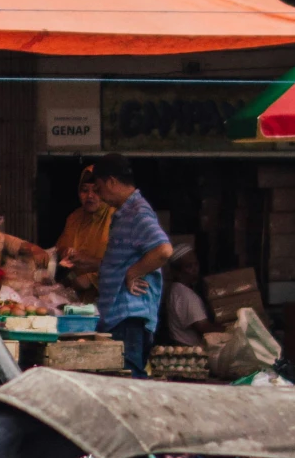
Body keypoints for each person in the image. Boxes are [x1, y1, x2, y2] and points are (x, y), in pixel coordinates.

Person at [92, 155, 172, 377]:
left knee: (129, 381)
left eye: (98, 188)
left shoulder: (138, 212)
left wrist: (133, 273)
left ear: (111, 182)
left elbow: (163, 250)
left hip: (128, 317)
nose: (99, 195)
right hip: (118, 316)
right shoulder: (125, 212)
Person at [53, 169, 115, 295]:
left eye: (96, 191)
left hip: (109, 296)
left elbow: (126, 264)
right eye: (85, 190)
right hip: (76, 298)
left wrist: (92, 279)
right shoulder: (74, 218)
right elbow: (60, 248)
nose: (90, 196)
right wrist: (64, 251)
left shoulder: (117, 218)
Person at [162, 243, 210, 349]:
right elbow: (202, 326)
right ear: (177, 272)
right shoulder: (185, 294)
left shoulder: (176, 289)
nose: (194, 269)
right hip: (189, 350)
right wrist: (229, 329)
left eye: (196, 264)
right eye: (189, 266)